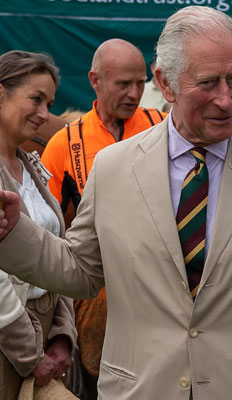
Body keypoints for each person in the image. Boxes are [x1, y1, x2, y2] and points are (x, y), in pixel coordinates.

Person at [0, 8, 232, 400]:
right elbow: (80, 269)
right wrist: (14, 232)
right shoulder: (113, 168)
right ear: (165, 83)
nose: (225, 99)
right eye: (208, 82)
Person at [40, 38, 166, 399]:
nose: (134, 93)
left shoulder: (165, 128)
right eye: (123, 84)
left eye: (141, 83)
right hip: (96, 300)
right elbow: (48, 230)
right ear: (95, 80)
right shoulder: (65, 143)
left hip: (162, 294)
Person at [0, 50, 77, 399]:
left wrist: (62, 334)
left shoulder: (32, 167)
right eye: (36, 99)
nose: (45, 115)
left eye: (48, 102)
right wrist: (29, 353)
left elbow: (55, 254)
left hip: (44, 341)